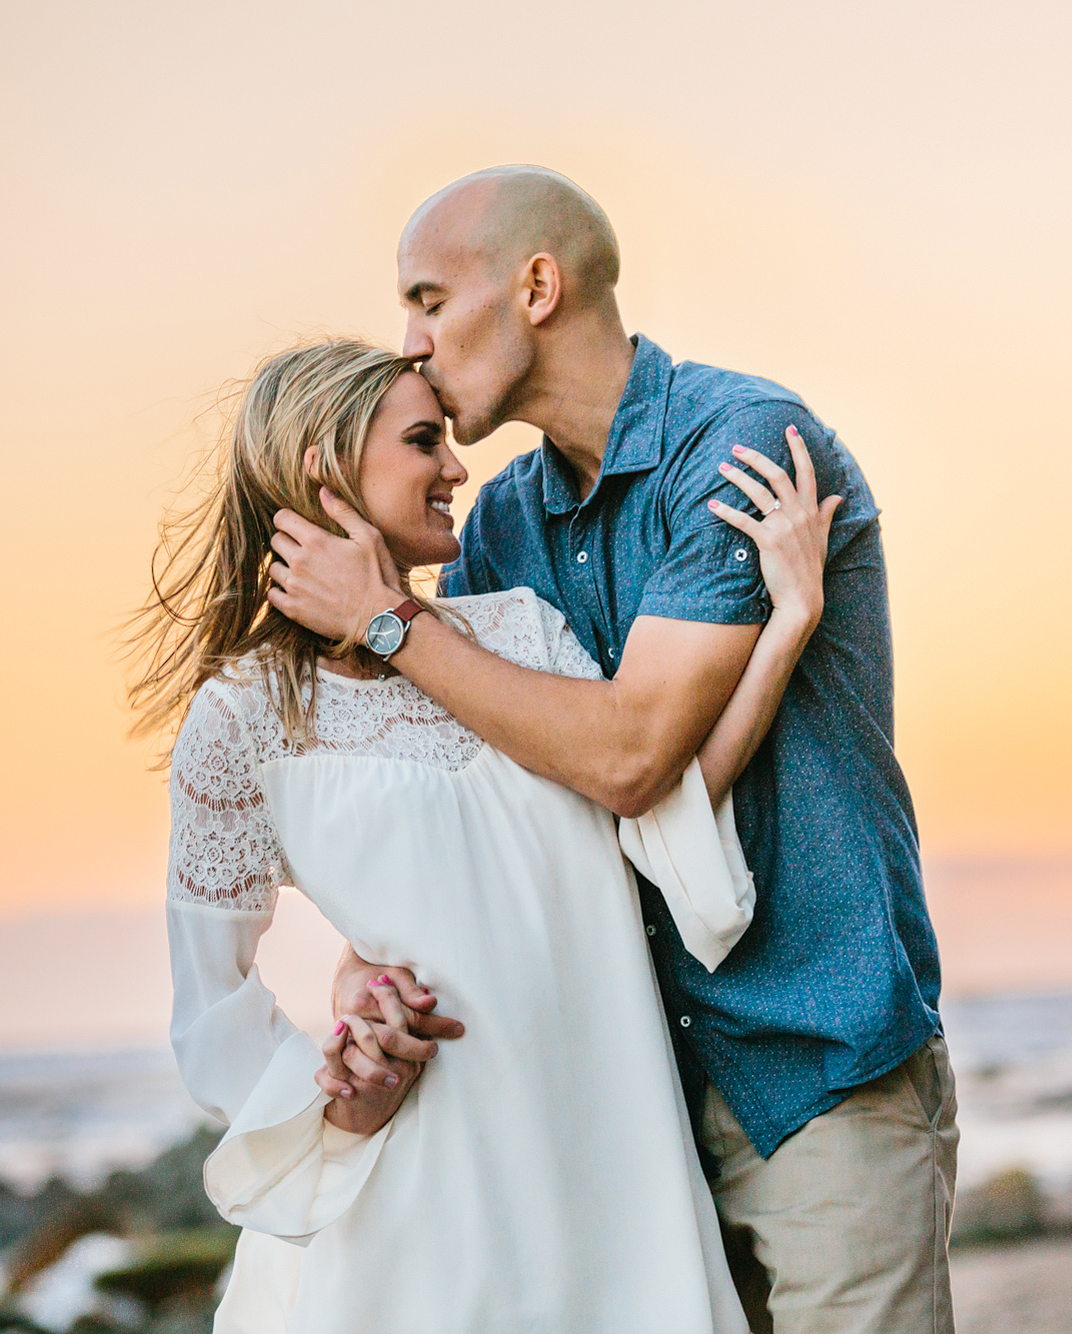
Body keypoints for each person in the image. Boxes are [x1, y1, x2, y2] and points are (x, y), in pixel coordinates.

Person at [267, 165, 956, 1333]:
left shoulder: (740, 446)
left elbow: (634, 757)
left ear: (536, 285)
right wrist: (356, 967)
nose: (413, 343)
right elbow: (473, 805)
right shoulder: (499, 527)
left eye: (429, 297)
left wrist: (387, 620)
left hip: (813, 1064)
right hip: (624, 1107)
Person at [129, 338, 837, 1331]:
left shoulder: (518, 634)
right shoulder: (244, 718)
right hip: (417, 1208)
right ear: (325, 468)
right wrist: (339, 1092)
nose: (459, 465)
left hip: (611, 1174)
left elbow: (653, 810)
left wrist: (788, 622)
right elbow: (211, 1013)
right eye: (424, 441)